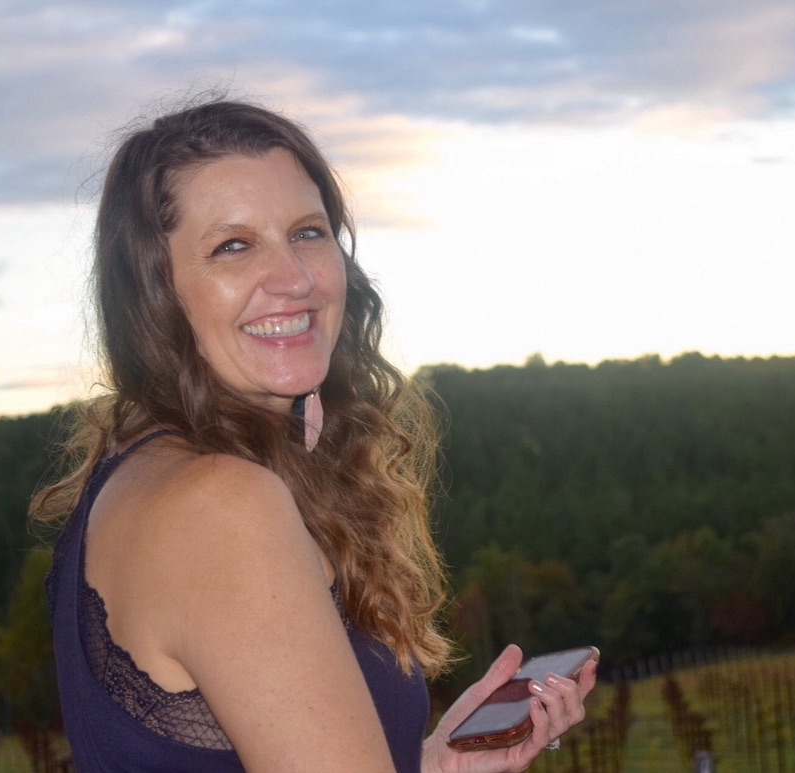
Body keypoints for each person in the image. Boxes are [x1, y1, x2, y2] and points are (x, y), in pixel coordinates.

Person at [31, 98, 597, 773]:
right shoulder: (221, 505)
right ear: (154, 294)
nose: (295, 279)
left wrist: (435, 764)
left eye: (307, 233)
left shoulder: (138, 472)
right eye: (233, 246)